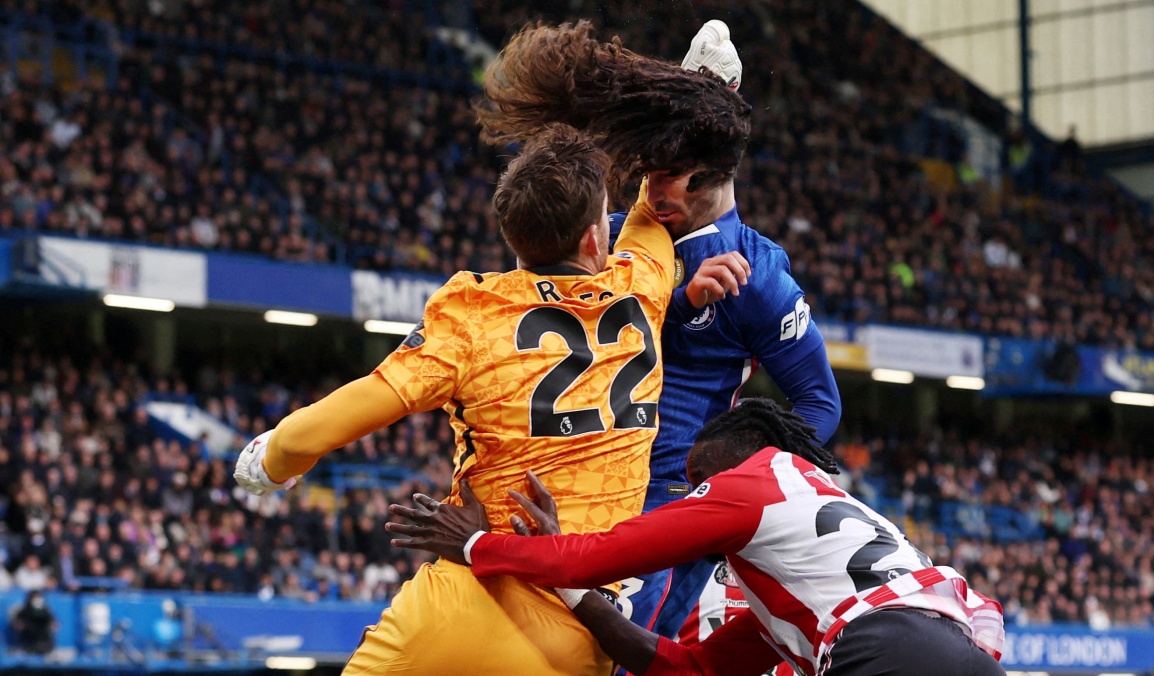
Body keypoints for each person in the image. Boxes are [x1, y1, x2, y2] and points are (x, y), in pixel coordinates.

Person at [234, 121, 751, 674]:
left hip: (461, 596)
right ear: (593, 239)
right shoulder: (642, 285)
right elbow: (650, 211)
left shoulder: (474, 312)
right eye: (606, 216)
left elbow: (361, 405)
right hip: (578, 622)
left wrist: (275, 459)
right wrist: (698, 100)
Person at [476, 19, 842, 640]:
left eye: (673, 172)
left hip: (666, 504)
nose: (655, 186)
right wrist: (678, 304)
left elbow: (820, 403)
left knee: (621, 653)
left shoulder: (756, 276)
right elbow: (553, 322)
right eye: (648, 168)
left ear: (717, 170)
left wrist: (738, 479)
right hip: (579, 479)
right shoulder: (613, 234)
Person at [388, 399, 1005, 676]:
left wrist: (476, 546)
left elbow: (600, 555)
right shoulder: (798, 552)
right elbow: (693, 670)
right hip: (954, 652)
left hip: (882, 651)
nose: (692, 493)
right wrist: (572, 591)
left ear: (742, 452)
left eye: (698, 477)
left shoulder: (751, 484)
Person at [11, 589, 58, 655]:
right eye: (35, 598)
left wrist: (53, 625)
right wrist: (19, 625)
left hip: (44, 640)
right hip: (28, 641)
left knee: (43, 647)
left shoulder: (46, 611)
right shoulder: (24, 611)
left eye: (38, 597)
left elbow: (54, 624)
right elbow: (17, 625)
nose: (37, 600)